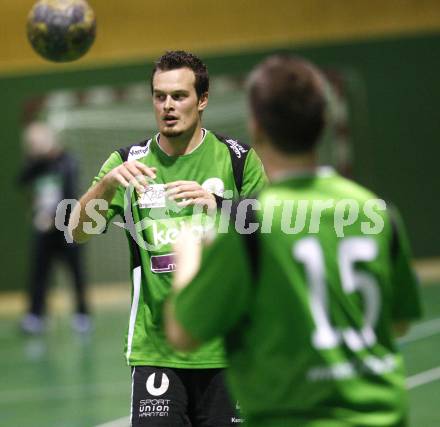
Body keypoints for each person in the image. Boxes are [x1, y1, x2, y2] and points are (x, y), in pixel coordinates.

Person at [164, 55, 422, 426]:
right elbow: (398, 324)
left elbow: (184, 333)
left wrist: (188, 255)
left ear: (257, 129)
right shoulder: (378, 213)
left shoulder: (247, 225)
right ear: (325, 123)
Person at [69, 51, 266, 426]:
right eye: (160, 96)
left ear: (202, 100)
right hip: (156, 353)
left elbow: (273, 238)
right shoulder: (127, 163)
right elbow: (77, 232)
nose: (168, 106)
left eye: (179, 96)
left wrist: (221, 205)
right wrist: (108, 185)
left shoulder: (238, 160)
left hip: (229, 352)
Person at [19, 122, 90, 334]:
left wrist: (53, 217)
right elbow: (21, 180)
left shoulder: (67, 161)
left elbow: (69, 193)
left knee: (76, 272)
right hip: (44, 231)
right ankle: (35, 315)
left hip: (67, 228)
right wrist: (33, 159)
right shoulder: (38, 164)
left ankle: (82, 314)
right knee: (39, 272)